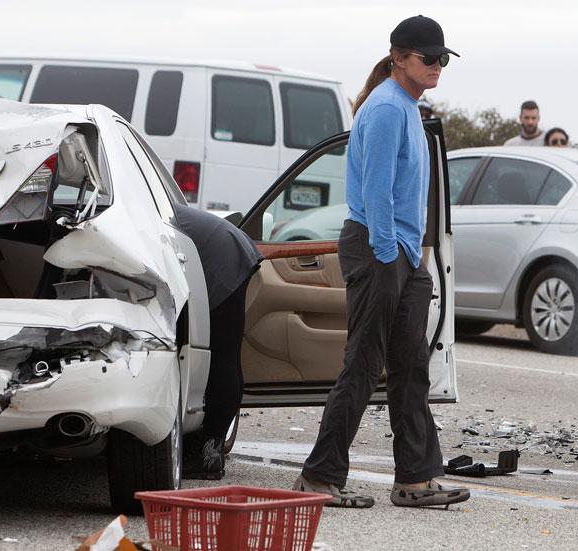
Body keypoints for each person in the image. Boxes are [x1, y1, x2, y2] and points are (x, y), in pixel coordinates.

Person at [293, 14, 471, 509]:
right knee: (363, 366)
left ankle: (414, 479)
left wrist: (413, 258)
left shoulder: (409, 107)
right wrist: (392, 254)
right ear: (398, 57)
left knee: (411, 366)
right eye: (427, 57)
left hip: (402, 254)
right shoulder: (389, 108)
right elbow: (375, 194)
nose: (437, 65)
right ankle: (318, 479)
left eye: (442, 58)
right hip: (378, 245)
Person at [174, 204, 263, 480]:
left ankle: (208, 453)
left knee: (222, 356)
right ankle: (208, 446)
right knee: (227, 355)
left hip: (222, 256)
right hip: (229, 245)